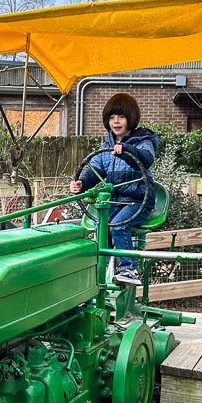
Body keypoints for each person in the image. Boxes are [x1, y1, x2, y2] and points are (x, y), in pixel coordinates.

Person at [70, 93, 159, 285]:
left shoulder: (144, 140)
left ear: (130, 118)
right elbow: (94, 170)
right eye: (112, 117)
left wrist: (127, 150)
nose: (116, 122)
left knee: (119, 225)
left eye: (121, 117)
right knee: (101, 226)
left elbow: (146, 159)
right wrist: (82, 184)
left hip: (137, 199)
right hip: (115, 200)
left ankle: (129, 270)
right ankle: (100, 268)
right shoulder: (107, 145)